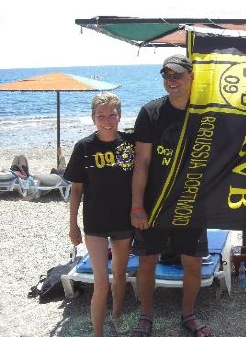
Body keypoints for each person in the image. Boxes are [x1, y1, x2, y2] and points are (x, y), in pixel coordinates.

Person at [130, 54, 211, 337]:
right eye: (166, 75)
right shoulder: (150, 112)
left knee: (192, 262)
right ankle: (145, 316)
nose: (171, 80)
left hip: (191, 203)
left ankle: (188, 314)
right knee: (147, 260)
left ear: (191, 77)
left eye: (177, 75)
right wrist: (137, 206)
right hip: (154, 203)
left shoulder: (205, 114)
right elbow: (141, 162)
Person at [64, 92, 135, 337]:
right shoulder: (84, 147)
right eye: (101, 115)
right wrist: (73, 226)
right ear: (93, 118)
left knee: (120, 275)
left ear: (120, 115)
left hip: (124, 221)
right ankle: (97, 333)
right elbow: (75, 191)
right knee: (101, 283)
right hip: (94, 223)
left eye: (112, 115)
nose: (107, 120)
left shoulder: (131, 143)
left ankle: (116, 314)